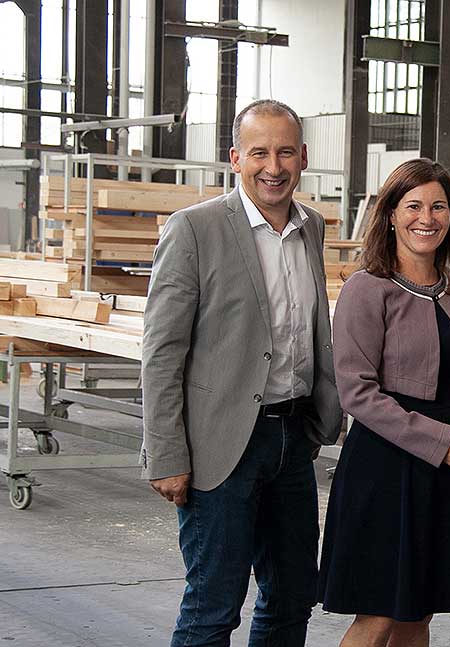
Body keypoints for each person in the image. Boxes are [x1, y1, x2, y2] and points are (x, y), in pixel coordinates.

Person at [141, 98, 342, 647]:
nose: (272, 166)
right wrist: (166, 454)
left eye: (284, 152)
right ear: (235, 157)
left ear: (303, 157)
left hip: (292, 437)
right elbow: (161, 352)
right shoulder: (195, 230)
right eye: (259, 152)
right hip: (220, 444)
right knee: (214, 605)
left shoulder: (312, 228)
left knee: (294, 594)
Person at [318, 158, 450, 647]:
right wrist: (440, 443)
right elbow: (356, 392)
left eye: (439, 206)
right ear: (391, 213)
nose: (427, 217)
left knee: (419, 615)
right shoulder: (365, 289)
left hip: (446, 464)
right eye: (413, 205)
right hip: (387, 462)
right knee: (378, 616)